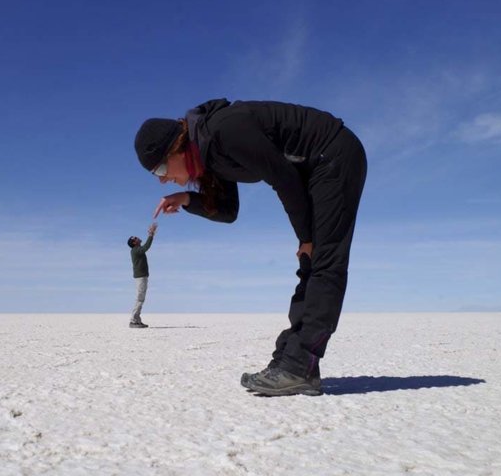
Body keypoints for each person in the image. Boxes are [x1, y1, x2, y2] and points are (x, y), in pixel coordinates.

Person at [134, 99, 367, 396]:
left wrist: (305, 238)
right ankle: (291, 358)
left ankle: (300, 366)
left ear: (177, 146)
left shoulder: (223, 131)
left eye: (162, 167)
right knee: (311, 262)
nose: (163, 178)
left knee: (323, 259)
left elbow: (281, 176)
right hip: (310, 168)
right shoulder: (209, 156)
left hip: (332, 153)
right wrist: (186, 200)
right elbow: (228, 211)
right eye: (156, 174)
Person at [127, 222, 157, 328]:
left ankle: (137, 320)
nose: (138, 237)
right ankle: (133, 320)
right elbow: (146, 247)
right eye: (135, 238)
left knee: (141, 298)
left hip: (142, 277)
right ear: (134, 243)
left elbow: (144, 248)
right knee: (140, 298)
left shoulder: (136, 250)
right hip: (140, 277)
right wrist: (151, 234)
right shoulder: (136, 250)